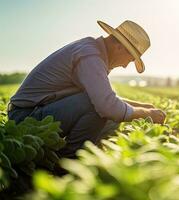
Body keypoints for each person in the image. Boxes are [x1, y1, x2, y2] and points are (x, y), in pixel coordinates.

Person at [7, 20, 166, 158]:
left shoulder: (91, 50)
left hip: (35, 112)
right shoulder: (90, 56)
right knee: (101, 109)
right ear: (120, 47)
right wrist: (147, 114)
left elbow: (106, 99)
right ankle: (68, 160)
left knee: (112, 116)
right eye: (130, 60)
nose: (125, 65)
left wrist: (144, 107)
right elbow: (106, 105)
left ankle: (85, 150)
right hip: (24, 117)